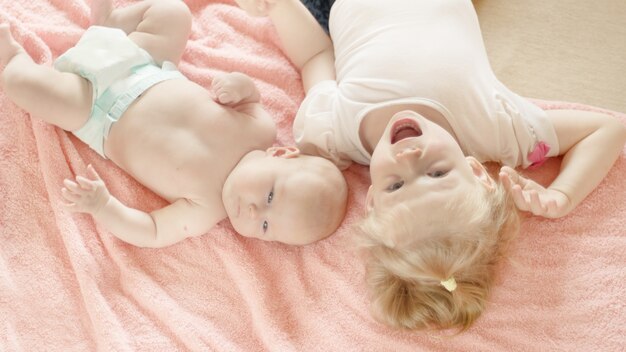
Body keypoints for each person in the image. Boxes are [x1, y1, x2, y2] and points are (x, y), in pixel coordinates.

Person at [235, 0, 626, 331]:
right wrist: (562, 194)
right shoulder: (495, 129)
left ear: (370, 201)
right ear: (478, 173)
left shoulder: (330, 132)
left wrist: (278, 6)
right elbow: (607, 129)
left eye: (395, 186)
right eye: (438, 173)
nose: (409, 159)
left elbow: (316, 56)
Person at [0, 0, 348, 248]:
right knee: (172, 13)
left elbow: (151, 231)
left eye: (266, 226)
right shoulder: (259, 129)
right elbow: (250, 95)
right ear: (282, 153)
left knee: (23, 86)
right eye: (271, 195)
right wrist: (237, 86)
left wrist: (103, 207)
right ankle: (108, 21)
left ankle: (11, 56)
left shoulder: (204, 211)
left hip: (94, 109)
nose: (255, 210)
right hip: (144, 65)